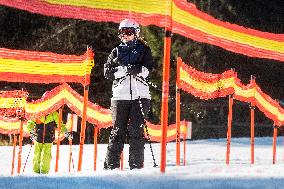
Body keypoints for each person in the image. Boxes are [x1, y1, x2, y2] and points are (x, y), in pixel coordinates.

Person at [104, 18, 156, 170]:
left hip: (140, 95)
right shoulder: (116, 51)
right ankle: (111, 166)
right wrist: (124, 70)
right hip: (120, 96)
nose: (125, 35)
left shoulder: (144, 50)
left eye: (128, 32)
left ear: (136, 33)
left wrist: (139, 70)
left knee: (136, 130)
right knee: (117, 131)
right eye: (122, 32)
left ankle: (136, 166)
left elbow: (150, 70)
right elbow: (107, 72)